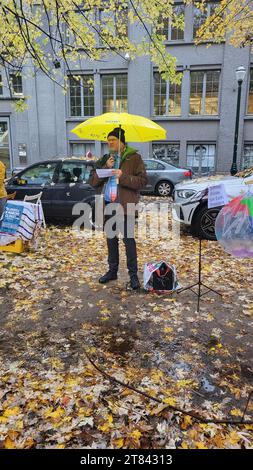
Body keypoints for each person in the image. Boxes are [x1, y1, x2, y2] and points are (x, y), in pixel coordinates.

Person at [89, 127, 147, 290]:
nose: (109, 143)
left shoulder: (134, 158)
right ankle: (112, 271)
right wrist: (106, 168)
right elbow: (92, 182)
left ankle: (133, 276)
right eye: (108, 141)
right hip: (109, 205)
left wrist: (123, 176)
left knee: (129, 241)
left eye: (113, 140)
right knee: (111, 240)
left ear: (122, 141)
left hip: (125, 206)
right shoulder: (105, 159)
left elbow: (142, 181)